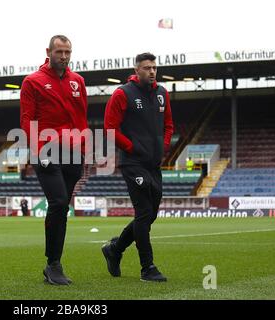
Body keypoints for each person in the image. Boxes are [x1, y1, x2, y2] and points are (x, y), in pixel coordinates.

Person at [20, 35, 88, 285]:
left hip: (73, 152)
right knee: (58, 202)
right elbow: (27, 120)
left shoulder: (78, 81)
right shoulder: (32, 82)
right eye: (59, 51)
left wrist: (83, 148)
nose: (64, 56)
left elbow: (82, 117)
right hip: (46, 150)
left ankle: (54, 262)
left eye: (67, 52)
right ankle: (53, 264)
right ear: (48, 51)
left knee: (61, 208)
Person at [102, 52, 174, 282]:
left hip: (153, 164)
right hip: (133, 163)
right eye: (146, 68)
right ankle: (147, 268)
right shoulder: (123, 93)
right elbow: (110, 129)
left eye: (154, 67)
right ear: (136, 70)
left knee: (150, 214)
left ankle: (115, 249)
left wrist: (162, 148)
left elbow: (169, 125)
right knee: (143, 213)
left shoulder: (163, 93)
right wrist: (132, 148)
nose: (152, 71)